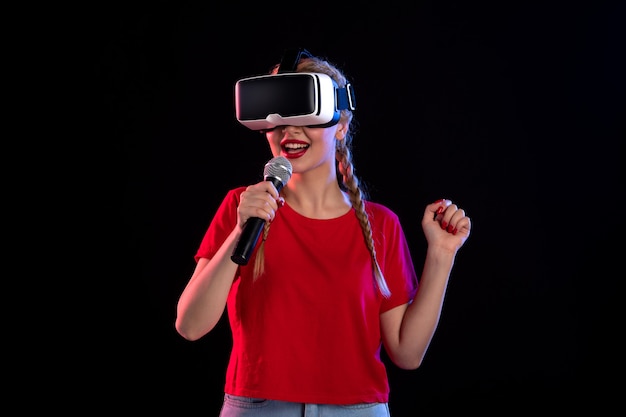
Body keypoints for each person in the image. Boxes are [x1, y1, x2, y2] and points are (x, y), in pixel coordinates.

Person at [175, 48, 472, 417]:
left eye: (307, 114)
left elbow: (407, 353)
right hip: (257, 408)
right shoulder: (243, 207)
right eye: (280, 116)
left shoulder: (381, 226)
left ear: (341, 125)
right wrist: (240, 230)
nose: (291, 130)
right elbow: (189, 325)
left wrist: (442, 255)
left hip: (359, 409)